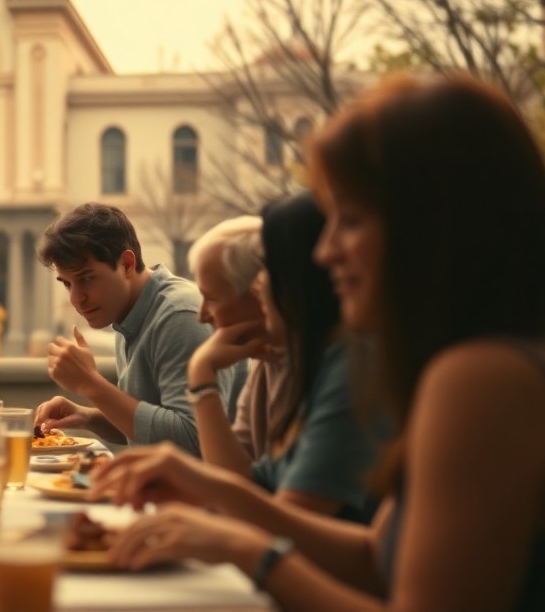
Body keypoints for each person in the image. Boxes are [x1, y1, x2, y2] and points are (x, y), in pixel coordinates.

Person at [93, 74, 545, 610]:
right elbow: (374, 559)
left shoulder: (484, 379)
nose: (325, 252)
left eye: (351, 220)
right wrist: (209, 492)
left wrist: (250, 552)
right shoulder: (487, 360)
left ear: (434, 228)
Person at [187, 191, 378, 522]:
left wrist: (202, 379)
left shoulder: (352, 365)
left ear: (298, 282)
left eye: (267, 271)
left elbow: (282, 527)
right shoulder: (273, 361)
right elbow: (245, 487)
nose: (202, 316)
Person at [33, 203, 245, 455]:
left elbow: (193, 441)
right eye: (67, 284)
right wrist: (87, 417)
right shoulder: (129, 312)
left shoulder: (180, 315)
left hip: (216, 491)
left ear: (126, 264)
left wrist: (91, 384)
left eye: (86, 278)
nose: (76, 298)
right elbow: (150, 425)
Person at [187, 215, 272, 440]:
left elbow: (236, 473)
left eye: (211, 299)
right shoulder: (266, 363)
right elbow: (238, 468)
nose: (202, 316)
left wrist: (201, 373)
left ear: (259, 292)